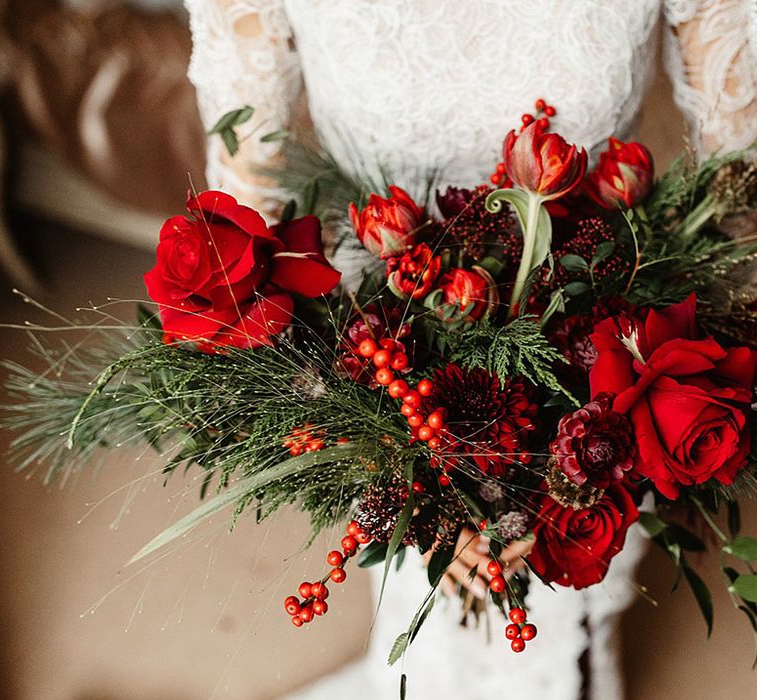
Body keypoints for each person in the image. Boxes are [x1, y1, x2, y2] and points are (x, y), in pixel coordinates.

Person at [183, 2, 757, 698]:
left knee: (567, 605)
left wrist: (634, 419)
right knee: (433, 623)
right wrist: (379, 458)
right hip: (379, 350)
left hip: (596, 340)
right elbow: (247, 214)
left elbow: (733, 192)